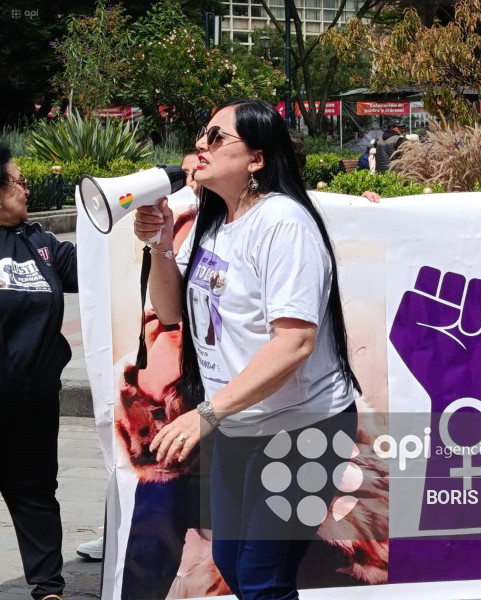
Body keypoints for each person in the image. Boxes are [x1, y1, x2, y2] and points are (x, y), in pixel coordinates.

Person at [133, 99, 360, 600]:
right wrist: (162, 246)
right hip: (240, 424)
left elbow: (295, 342)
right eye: (201, 137)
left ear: (256, 158)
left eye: (216, 138)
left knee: (261, 578)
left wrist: (206, 414)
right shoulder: (217, 222)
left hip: (304, 427)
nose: (200, 146)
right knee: (232, 563)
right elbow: (171, 314)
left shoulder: (283, 223)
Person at [76, 149, 203, 563]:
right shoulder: (177, 226)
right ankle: (125, 534)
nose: (190, 182)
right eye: (184, 175)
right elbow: (169, 313)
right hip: (169, 384)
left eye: (196, 171)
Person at [0, 142, 78, 600]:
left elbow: (92, 270)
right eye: (16, 180)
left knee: (35, 494)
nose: (25, 187)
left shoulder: (40, 243)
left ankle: (49, 588)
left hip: (33, 404)